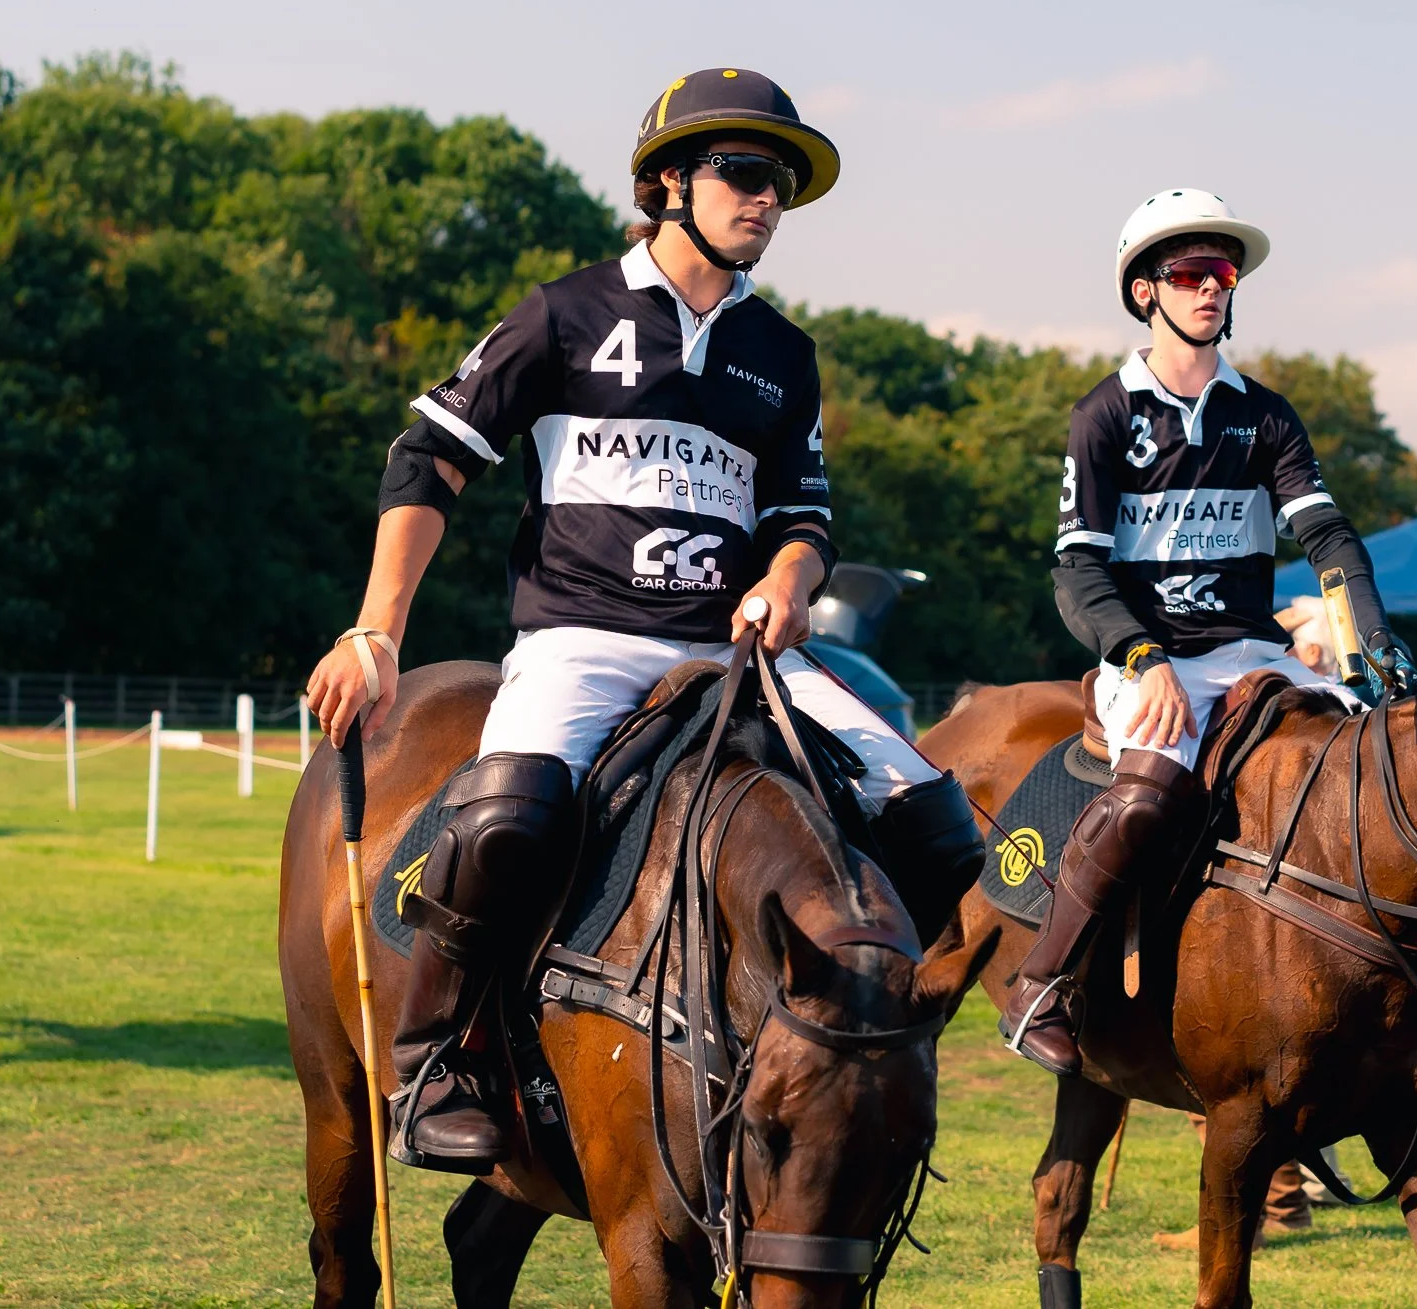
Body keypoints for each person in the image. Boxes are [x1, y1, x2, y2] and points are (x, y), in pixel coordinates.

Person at [305, 69, 986, 1173]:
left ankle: (846, 1049)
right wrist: (376, 629)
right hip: (583, 637)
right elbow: (427, 458)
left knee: (935, 822)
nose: (766, 202)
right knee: (506, 818)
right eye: (746, 175)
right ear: (667, 180)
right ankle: (435, 1058)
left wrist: (792, 578)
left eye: (781, 185)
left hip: (733, 650)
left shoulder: (782, 355)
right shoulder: (564, 313)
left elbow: (802, 516)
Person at [1002, 189, 1417, 1075]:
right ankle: (1041, 983)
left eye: (1222, 273)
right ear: (1145, 291)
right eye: (1189, 274)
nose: (1210, 289)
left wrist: (1374, 635)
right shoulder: (1105, 415)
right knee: (1148, 793)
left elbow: (1328, 537)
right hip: (1152, 657)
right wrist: (1142, 656)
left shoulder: (1265, 414)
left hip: (1254, 649)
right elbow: (1076, 570)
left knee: (1375, 767)